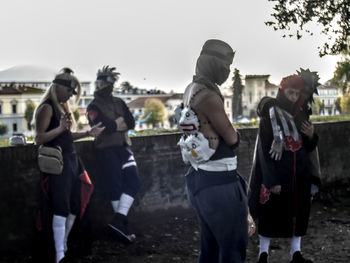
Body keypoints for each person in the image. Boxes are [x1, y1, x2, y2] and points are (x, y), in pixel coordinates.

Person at [175, 39, 253, 263]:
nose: (228, 72)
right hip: (219, 183)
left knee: (210, 250)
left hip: (201, 179)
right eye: (226, 66)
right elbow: (232, 137)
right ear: (213, 64)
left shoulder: (191, 89)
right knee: (231, 249)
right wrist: (234, 136)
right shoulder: (209, 96)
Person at [34, 67, 105, 263]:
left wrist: (88, 133)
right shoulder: (47, 107)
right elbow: (39, 138)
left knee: (75, 203)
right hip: (58, 163)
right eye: (69, 91)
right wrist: (60, 128)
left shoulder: (62, 107)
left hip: (72, 160)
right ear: (57, 87)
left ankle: (63, 243)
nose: (71, 95)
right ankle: (59, 254)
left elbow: (66, 135)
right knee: (61, 207)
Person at [248, 72, 321, 263]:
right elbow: (264, 150)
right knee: (270, 214)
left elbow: (309, 147)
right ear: (281, 91)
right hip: (277, 176)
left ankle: (295, 253)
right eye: (290, 93)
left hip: (300, 175)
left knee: (299, 213)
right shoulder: (270, 115)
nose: (293, 98)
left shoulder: (302, 113)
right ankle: (263, 254)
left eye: (297, 94)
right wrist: (271, 180)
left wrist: (312, 135)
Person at [87, 66, 140, 242]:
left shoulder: (119, 102)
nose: (108, 85)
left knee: (134, 181)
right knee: (115, 187)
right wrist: (117, 124)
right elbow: (104, 127)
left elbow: (131, 123)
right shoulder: (93, 106)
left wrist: (114, 124)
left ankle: (118, 222)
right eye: (104, 82)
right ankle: (123, 228)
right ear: (99, 83)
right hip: (105, 151)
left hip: (124, 147)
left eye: (111, 82)